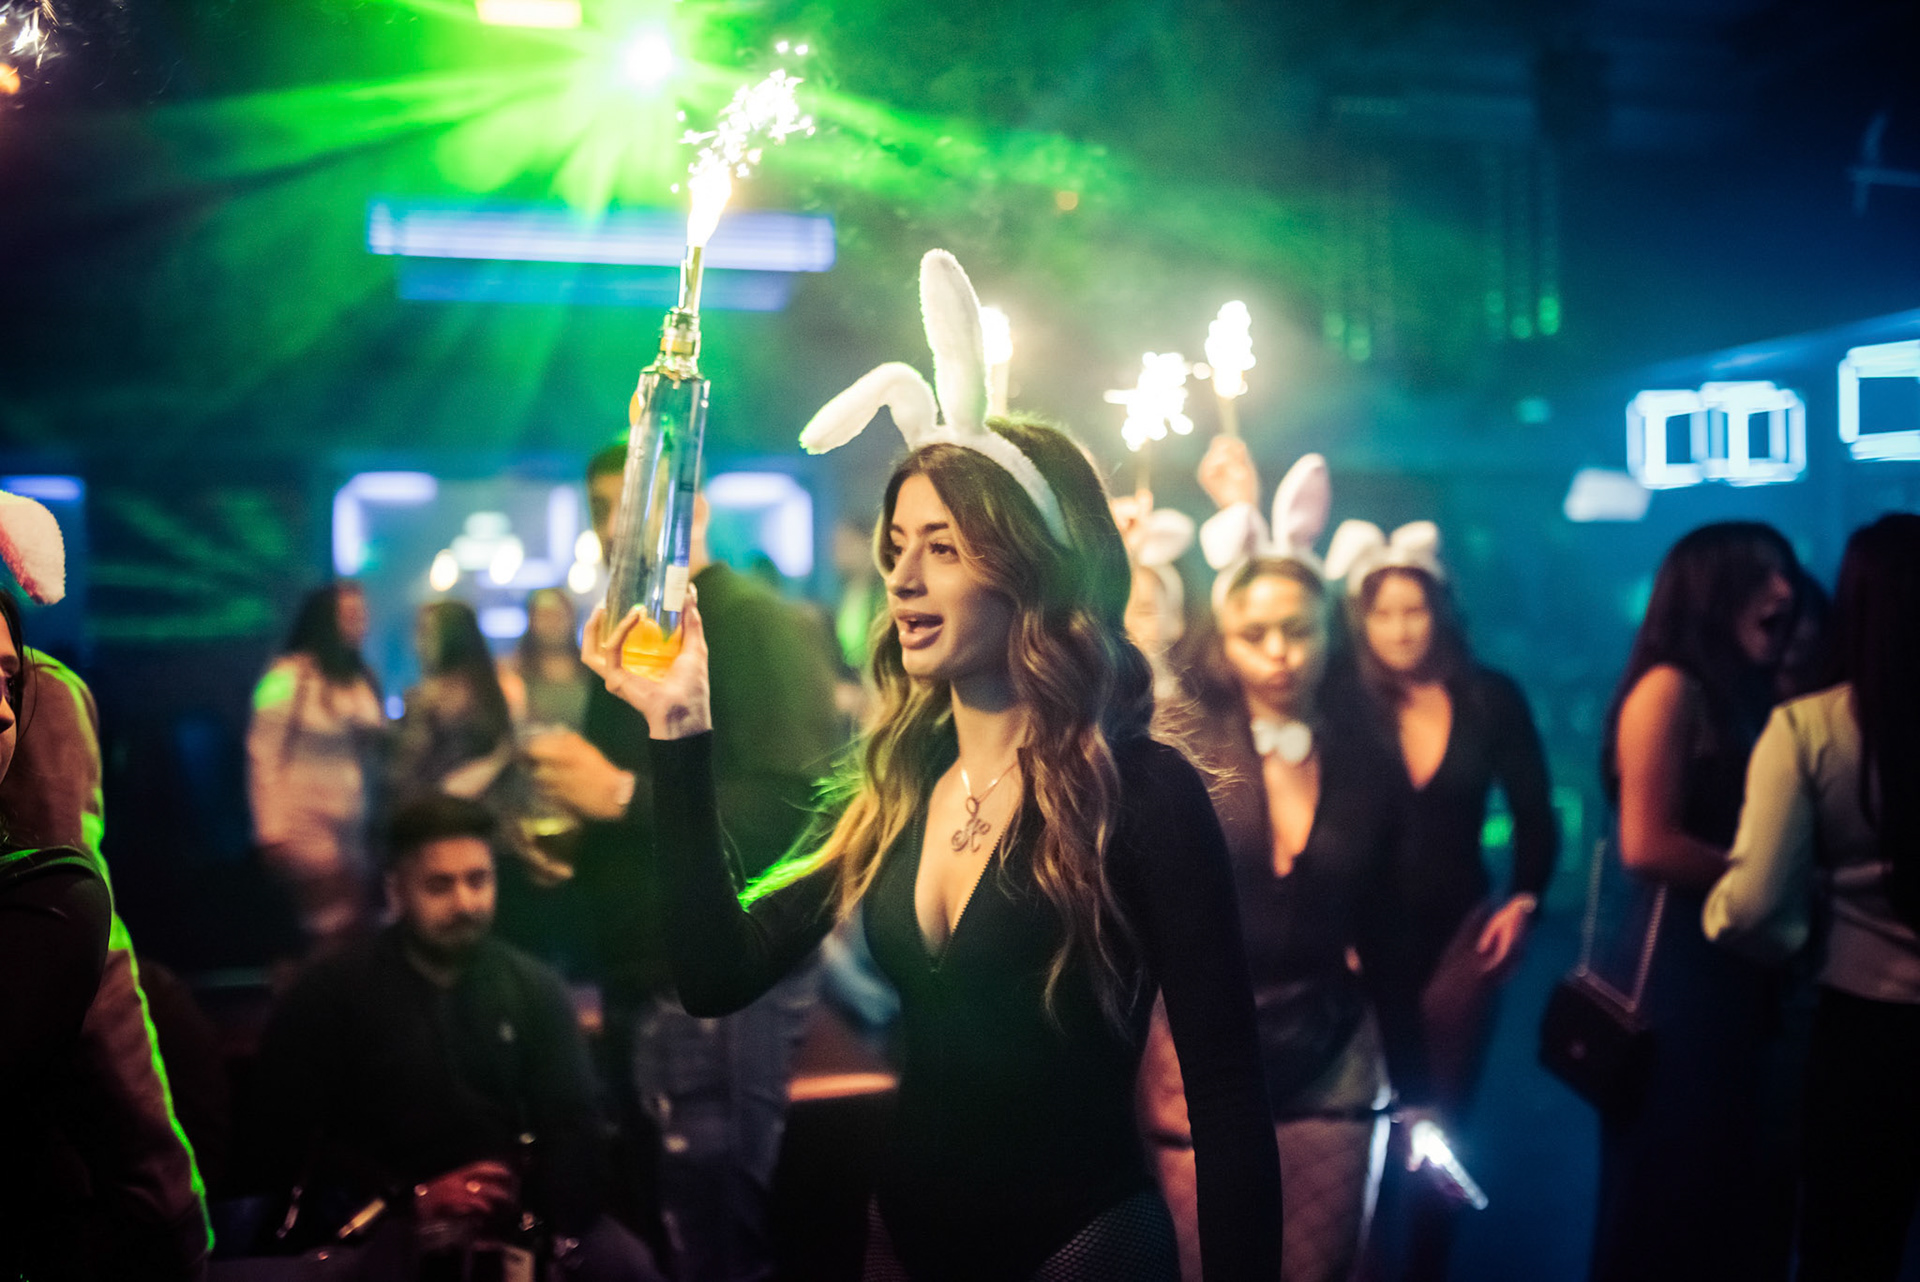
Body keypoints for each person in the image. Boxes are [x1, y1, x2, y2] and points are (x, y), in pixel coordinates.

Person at [589, 250, 1280, 1282]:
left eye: (944, 548)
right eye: (898, 543)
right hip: (901, 1245)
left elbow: (1227, 1096)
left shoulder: (1139, 792)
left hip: (1080, 1249)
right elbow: (715, 972)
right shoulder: (900, 784)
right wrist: (679, 727)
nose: (902, 576)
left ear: (1028, 572)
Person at [526, 443, 840, 1281]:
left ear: (694, 509)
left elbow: (795, 808)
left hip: (724, 977)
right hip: (641, 964)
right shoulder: (636, 633)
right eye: (602, 508)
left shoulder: (757, 622)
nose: (615, 527)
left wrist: (617, 796)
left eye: (636, 503)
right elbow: (639, 797)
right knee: (668, 1223)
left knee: (714, 1238)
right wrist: (577, 839)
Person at [1139, 440, 1420, 1282]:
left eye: (1298, 630)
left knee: (1321, 1271)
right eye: (1252, 633)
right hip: (1201, 1045)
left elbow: (1392, 925)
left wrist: (1417, 1078)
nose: (1278, 652)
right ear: (1221, 638)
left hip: (1335, 1048)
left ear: (1330, 631)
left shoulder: (1367, 753)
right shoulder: (1187, 750)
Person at [254, 793, 662, 1282]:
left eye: (478, 880)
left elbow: (576, 1124)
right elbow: (286, 1137)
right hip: (380, 1222)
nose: (465, 903)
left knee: (626, 1265)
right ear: (396, 890)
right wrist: (411, 1199)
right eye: (440, 885)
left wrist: (525, 1206)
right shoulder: (330, 993)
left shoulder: (533, 988)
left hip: (518, 1212)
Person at [1323, 517, 1556, 1281]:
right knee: (1359, 1124)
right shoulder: (1339, 700)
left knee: (1439, 1127)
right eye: (1383, 612)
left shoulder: (1490, 697)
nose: (1399, 628)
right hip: (1356, 943)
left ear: (1441, 611)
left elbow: (1535, 813)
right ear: (1360, 619)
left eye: (1413, 610)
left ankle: (1426, 1269)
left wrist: (1525, 899)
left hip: (1461, 936)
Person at [1705, 513, 1920, 1282]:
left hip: (1863, 1030)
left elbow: (1758, 905)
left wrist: (1743, 920)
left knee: (1850, 1248)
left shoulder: (1808, 728)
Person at [1590, 520, 1804, 1282]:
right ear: (1710, 591)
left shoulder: (1737, 690)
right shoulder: (1669, 688)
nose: (1784, 591)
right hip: (1678, 977)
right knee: (1674, 1189)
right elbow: (1646, 841)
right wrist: (1771, 881)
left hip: (1729, 968)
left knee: (1728, 1191)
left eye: (1786, 573)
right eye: (1761, 574)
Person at [247, 582, 387, 952]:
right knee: (328, 924)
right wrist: (269, 829)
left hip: (355, 821)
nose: (359, 623)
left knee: (358, 922)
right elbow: (262, 754)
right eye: (349, 615)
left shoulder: (360, 677)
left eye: (361, 615)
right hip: (304, 819)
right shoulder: (286, 677)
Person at [501, 587, 594, 734]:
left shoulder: (593, 669)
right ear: (531, 621)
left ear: (571, 618)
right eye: (544, 616)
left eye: (558, 616)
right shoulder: (513, 673)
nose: (552, 623)